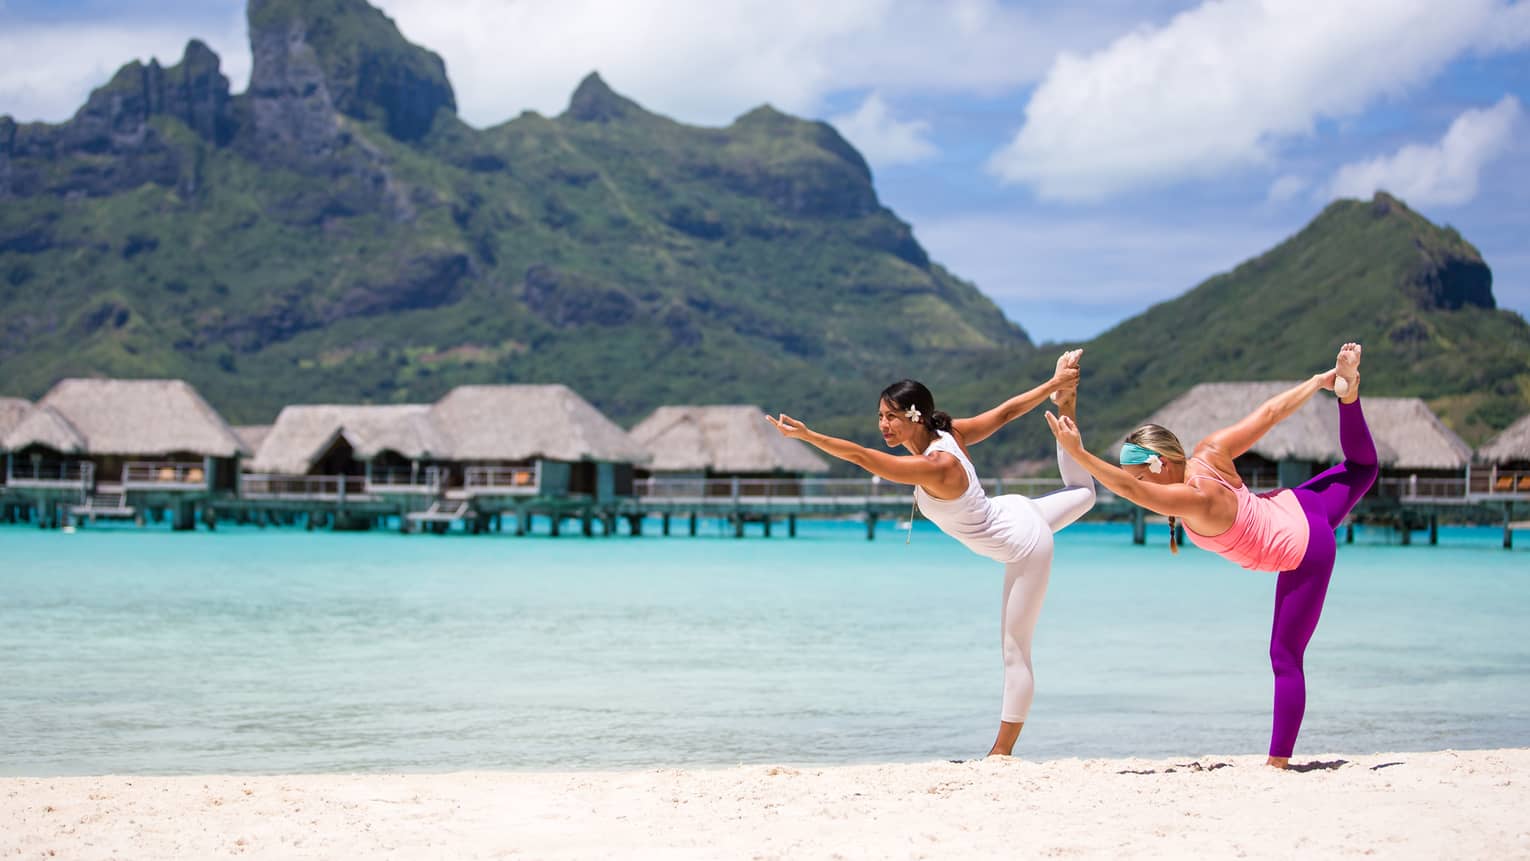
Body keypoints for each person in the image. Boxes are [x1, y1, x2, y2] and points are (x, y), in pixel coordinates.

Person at [1044, 343, 1375, 768]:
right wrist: (1317, 382)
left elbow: (1131, 491)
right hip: (1298, 506)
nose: (1139, 486)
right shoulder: (1210, 452)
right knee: (1363, 468)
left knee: (1285, 656)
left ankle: (1278, 764)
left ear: (1161, 465)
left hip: (1305, 550)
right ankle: (1349, 397)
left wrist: (1080, 455)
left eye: (1140, 473)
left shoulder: (1194, 498)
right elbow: (1269, 415)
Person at [767, 350, 1096, 756]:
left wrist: (810, 437)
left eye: (892, 417)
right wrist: (1054, 386)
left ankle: (1000, 755)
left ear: (916, 416)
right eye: (880, 416)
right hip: (1015, 512)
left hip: (1024, 545)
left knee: (1015, 650)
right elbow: (1007, 412)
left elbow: (861, 457)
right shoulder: (948, 434)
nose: (883, 425)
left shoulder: (937, 464)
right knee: (1084, 494)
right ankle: (1067, 406)